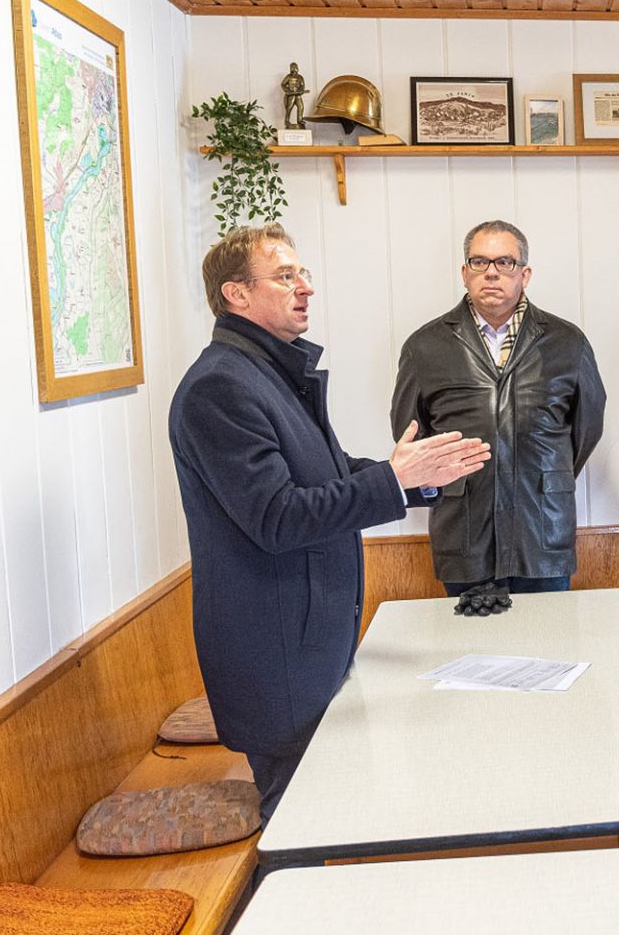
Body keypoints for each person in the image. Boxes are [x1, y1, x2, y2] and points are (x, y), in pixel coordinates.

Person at [169, 223, 490, 821]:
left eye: (304, 274)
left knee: (329, 816)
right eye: (286, 276)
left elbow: (330, 474)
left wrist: (422, 478)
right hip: (277, 654)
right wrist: (394, 479)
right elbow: (278, 517)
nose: (305, 288)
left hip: (308, 644)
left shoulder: (265, 375)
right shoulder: (220, 386)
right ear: (236, 295)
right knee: (299, 828)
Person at [392, 221, 605, 612]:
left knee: (546, 656)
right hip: (464, 534)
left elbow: (586, 429)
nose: (491, 272)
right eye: (480, 261)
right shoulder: (426, 346)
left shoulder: (566, 343)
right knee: (470, 661)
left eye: (505, 262)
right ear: (464, 272)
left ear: (525, 274)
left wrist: (541, 474)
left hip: (542, 533)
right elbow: (411, 437)